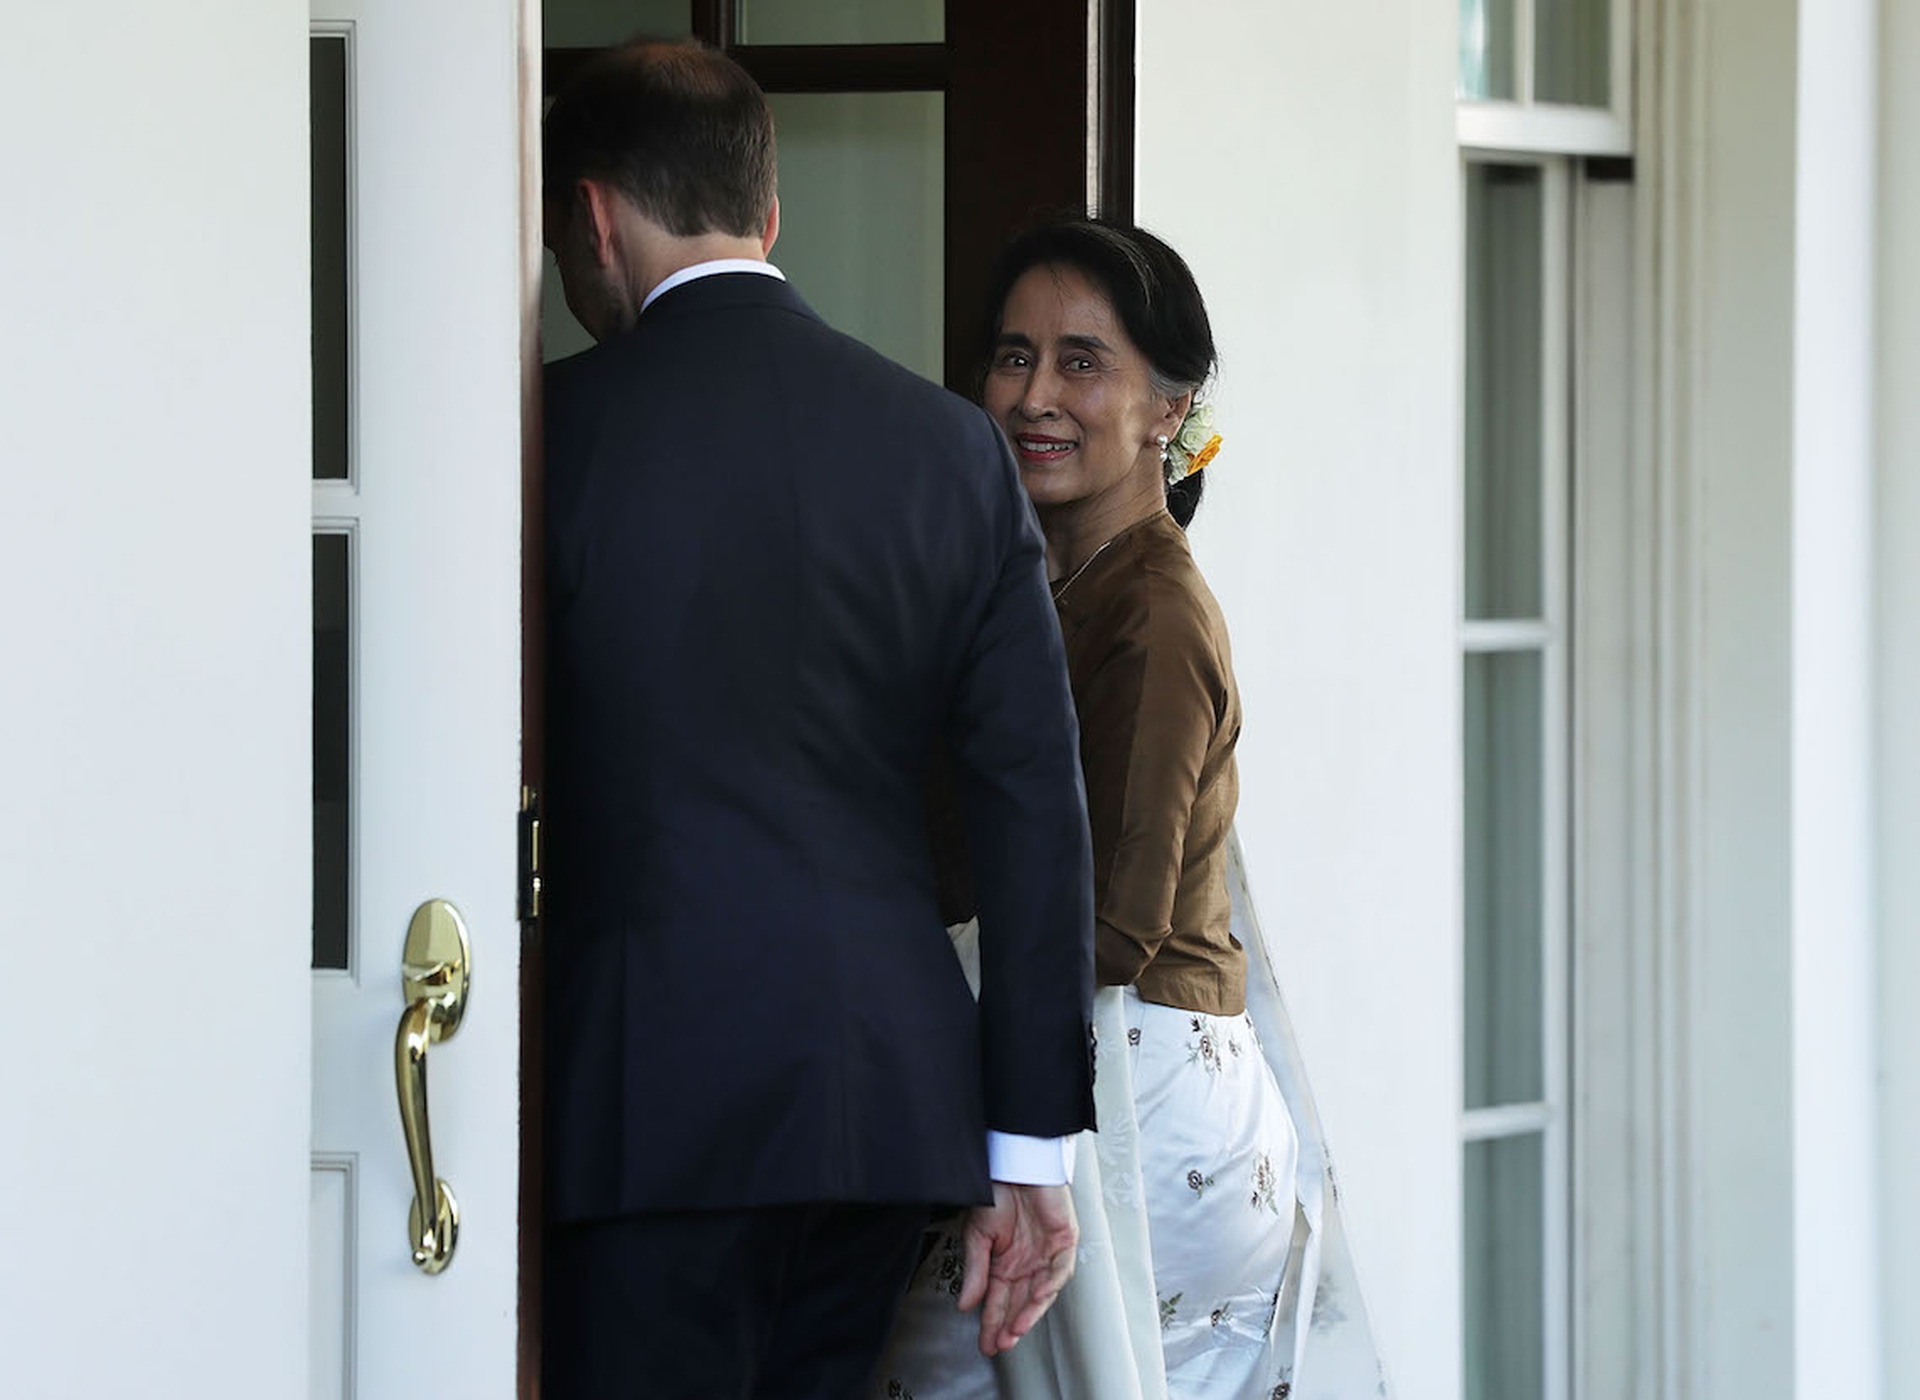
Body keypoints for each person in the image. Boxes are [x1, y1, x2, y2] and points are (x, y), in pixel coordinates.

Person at [538, 43, 1100, 1400]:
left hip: (643, 1105)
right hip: (880, 1105)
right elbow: (1036, 802)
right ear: (770, 214)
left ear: (596, 219)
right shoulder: (946, 447)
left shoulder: (547, 435)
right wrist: (1030, 1150)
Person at [878, 220, 1393, 1400]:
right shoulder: (1055, 585)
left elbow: (1112, 921)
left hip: (1133, 1095)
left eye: (1080, 361)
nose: (1036, 395)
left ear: (1172, 407)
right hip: (1106, 1075)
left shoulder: (1150, 609)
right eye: (1014, 357)